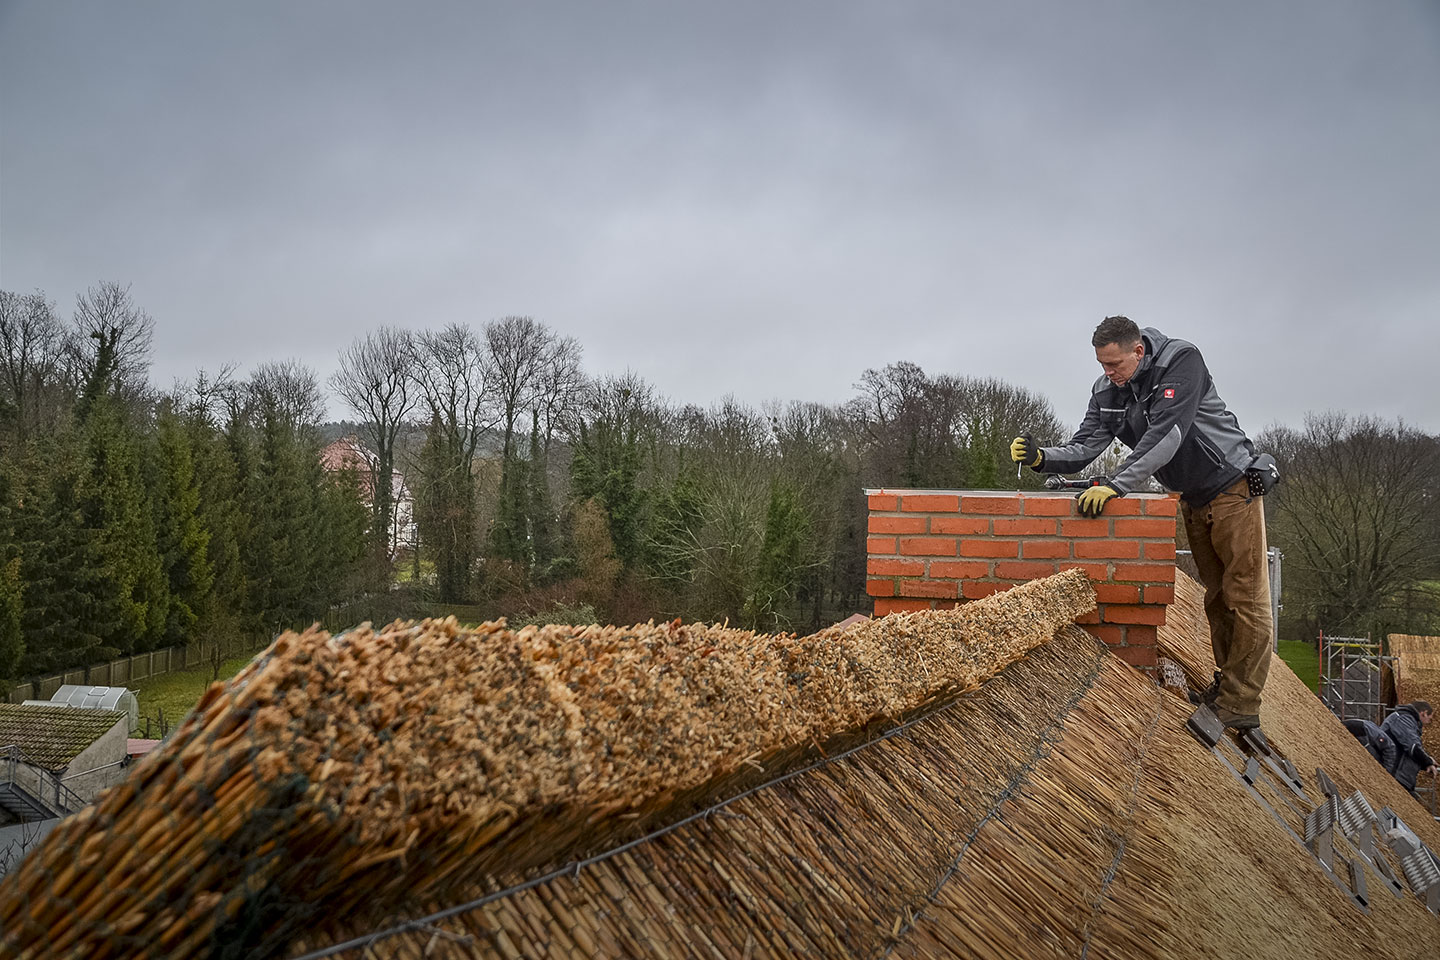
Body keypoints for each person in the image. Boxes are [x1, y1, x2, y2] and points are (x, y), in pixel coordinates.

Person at [1011, 316, 1272, 731]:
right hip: (1193, 497)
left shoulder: (1182, 362)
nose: (1108, 374)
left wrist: (1117, 485)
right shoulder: (1107, 391)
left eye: (1115, 364)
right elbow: (1086, 444)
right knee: (1218, 597)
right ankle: (1228, 686)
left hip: (1232, 485)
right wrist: (1043, 458)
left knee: (1246, 597)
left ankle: (1241, 702)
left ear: (1138, 350)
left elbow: (1167, 435)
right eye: (1101, 365)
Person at [1381, 700, 1437, 798]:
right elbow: (1413, 747)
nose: (1428, 723)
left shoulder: (1406, 720)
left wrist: (1427, 760)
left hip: (1399, 775)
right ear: (1423, 713)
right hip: (1393, 773)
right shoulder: (1403, 719)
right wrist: (1427, 762)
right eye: (1429, 719)